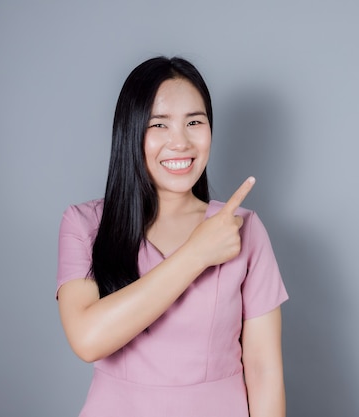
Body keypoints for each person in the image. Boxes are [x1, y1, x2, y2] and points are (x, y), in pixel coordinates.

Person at [56, 56, 289, 417]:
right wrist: (196, 254)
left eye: (194, 122)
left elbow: (263, 370)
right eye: (159, 125)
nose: (180, 142)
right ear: (130, 131)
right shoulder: (85, 224)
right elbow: (88, 340)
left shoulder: (243, 229)